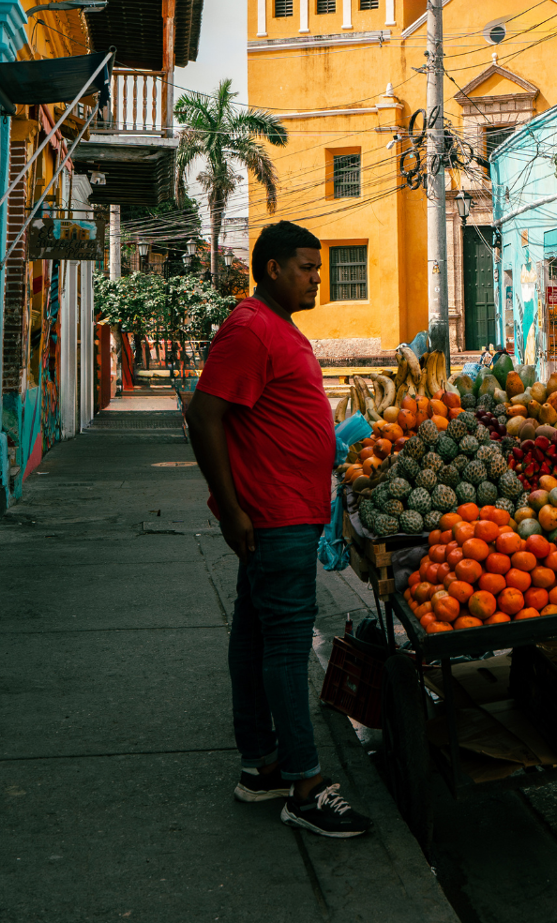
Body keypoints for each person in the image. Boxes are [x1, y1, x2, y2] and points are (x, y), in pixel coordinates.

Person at [185, 221, 372, 839]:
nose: (317, 278)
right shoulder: (251, 327)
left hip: (285, 512)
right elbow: (204, 416)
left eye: (318, 267)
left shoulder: (278, 326)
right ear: (271, 269)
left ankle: (262, 766)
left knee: (254, 636)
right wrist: (231, 508)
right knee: (288, 648)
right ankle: (305, 786)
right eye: (306, 267)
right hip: (276, 515)